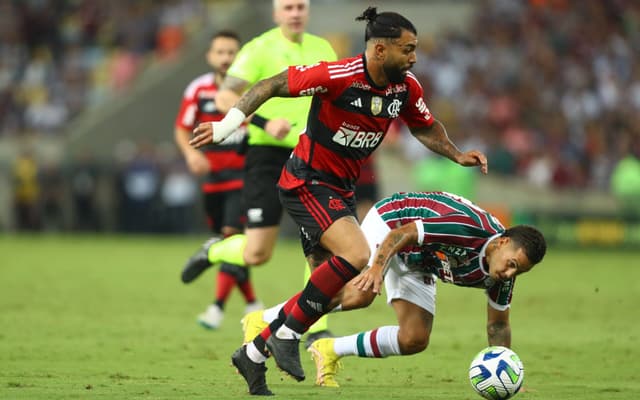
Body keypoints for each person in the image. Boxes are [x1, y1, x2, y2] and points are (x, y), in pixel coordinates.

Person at [189, 7, 489, 395]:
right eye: (407, 49)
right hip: (306, 181)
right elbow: (268, 86)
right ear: (379, 50)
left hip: (339, 191)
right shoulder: (338, 76)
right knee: (358, 254)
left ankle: (254, 352)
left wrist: (457, 154)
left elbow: (425, 127)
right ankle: (289, 334)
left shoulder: (405, 87)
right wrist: (224, 127)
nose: (414, 57)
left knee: (349, 294)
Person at [181, 0, 338, 342]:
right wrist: (266, 121)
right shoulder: (259, 49)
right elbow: (225, 99)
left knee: (322, 238)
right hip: (266, 155)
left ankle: (318, 329)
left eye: (300, 7)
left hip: (311, 154)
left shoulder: (323, 47)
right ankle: (214, 251)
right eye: (288, 7)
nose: (295, 13)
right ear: (276, 13)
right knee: (257, 253)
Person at [304, 191, 547, 387]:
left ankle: (328, 349)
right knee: (362, 293)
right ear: (502, 242)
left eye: (519, 272)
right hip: (392, 223)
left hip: (421, 259)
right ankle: (280, 322)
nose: (509, 274)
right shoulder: (468, 228)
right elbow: (401, 233)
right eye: (512, 265)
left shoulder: (502, 275)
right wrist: (377, 268)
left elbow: (498, 325)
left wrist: (507, 372)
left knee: (414, 338)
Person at [174, 30, 262, 329]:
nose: (226, 58)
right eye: (220, 52)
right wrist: (191, 155)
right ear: (210, 56)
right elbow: (182, 128)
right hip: (213, 179)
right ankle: (253, 303)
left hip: (246, 176)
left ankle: (216, 309)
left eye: (231, 52)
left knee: (231, 235)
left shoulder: (253, 88)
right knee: (232, 244)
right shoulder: (198, 89)